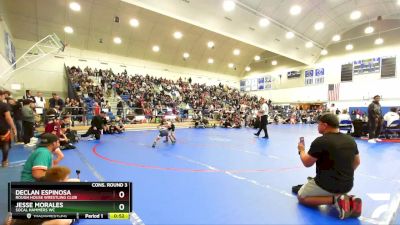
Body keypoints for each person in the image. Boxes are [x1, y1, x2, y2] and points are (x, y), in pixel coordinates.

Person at [295, 113, 361, 219]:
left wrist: (301, 150)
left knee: (302, 197)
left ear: (324, 125)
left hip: (328, 186)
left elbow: (307, 163)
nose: (317, 126)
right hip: (347, 185)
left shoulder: (321, 141)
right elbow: (357, 162)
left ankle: (336, 200)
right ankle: (346, 198)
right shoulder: (350, 140)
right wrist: (344, 174)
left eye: (318, 124)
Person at [0, 91, 17, 167]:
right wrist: (14, 128)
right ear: (1, 96)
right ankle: (4, 161)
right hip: (3, 128)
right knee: (5, 145)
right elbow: (8, 117)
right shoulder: (4, 105)